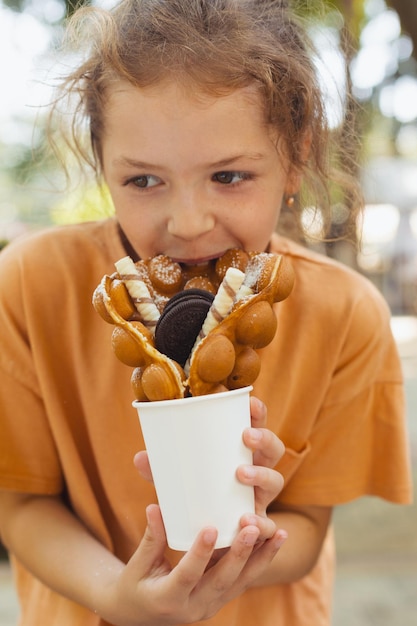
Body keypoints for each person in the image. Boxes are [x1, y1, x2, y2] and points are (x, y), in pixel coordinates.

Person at [0, 1, 412, 625]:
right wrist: (117, 595)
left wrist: (249, 541)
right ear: (103, 166)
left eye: (228, 175)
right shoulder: (30, 288)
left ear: (295, 156)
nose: (188, 224)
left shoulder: (345, 316)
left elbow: (306, 527)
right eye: (143, 181)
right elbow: (21, 506)